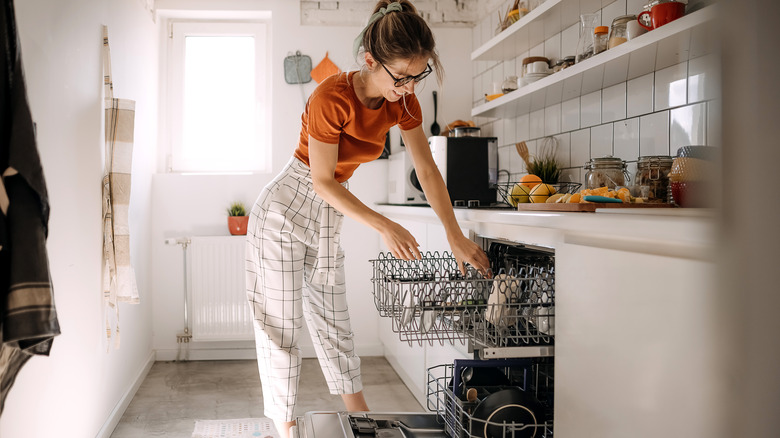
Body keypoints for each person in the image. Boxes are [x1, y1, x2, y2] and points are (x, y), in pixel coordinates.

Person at [245, 1, 490, 436]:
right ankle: (283, 431)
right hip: (284, 209)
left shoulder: (404, 101)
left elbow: (429, 170)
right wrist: (383, 224)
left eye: (418, 75)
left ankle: (361, 423)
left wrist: (454, 235)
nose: (408, 86)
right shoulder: (330, 97)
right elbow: (321, 179)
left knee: (335, 323)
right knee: (280, 332)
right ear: (369, 60)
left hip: (327, 214)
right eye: (401, 76)